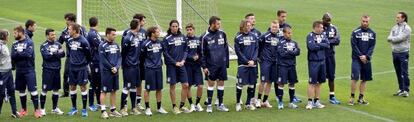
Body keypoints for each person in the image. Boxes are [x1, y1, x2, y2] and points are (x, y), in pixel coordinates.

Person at [11, 25, 41, 118]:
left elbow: (28, 54)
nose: (14, 35)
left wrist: (18, 54)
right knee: (21, 91)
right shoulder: (14, 44)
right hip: (19, 70)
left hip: (29, 70)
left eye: (15, 33)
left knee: (33, 90)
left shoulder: (29, 42)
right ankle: (24, 109)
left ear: (21, 33)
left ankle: (37, 110)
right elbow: (12, 56)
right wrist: (20, 54)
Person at [201, 16, 230, 113]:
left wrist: (226, 63)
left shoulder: (223, 34)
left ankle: (220, 105)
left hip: (221, 65)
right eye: (217, 23)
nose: (219, 25)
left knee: (221, 84)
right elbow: (202, 53)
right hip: (211, 65)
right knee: (211, 84)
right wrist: (204, 66)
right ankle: (209, 105)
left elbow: (226, 49)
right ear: (212, 24)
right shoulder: (205, 36)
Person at [163, 20, 191, 114]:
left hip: (181, 65)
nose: (175, 28)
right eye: (173, 26)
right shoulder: (166, 39)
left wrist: (183, 60)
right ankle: (174, 106)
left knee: (186, 85)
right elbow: (166, 54)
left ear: (178, 27)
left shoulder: (183, 37)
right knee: (173, 86)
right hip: (172, 66)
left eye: (176, 26)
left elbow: (186, 50)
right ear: (170, 27)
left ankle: (182, 106)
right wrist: (175, 63)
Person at [58, 13, 88, 98]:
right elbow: (59, 42)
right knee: (66, 73)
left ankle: (92, 90)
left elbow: (86, 40)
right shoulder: (64, 31)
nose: (65, 21)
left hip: (81, 57)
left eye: (66, 19)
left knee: (87, 74)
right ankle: (66, 92)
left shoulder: (81, 29)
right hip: (70, 56)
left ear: (70, 20)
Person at [349, 15, 376, 106]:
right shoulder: (355, 32)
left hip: (366, 60)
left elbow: (372, 46)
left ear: (369, 22)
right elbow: (354, 46)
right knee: (355, 77)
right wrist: (361, 56)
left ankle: (361, 98)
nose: (365, 23)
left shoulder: (372, 33)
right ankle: (352, 97)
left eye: (366, 21)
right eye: (363, 21)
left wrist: (367, 56)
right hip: (356, 59)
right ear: (361, 21)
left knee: (364, 79)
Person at [142, 26, 168, 116]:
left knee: (159, 89)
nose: (159, 33)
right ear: (152, 33)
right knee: (148, 89)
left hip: (158, 69)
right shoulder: (145, 44)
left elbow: (164, 52)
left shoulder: (160, 43)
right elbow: (141, 56)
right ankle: (147, 108)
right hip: (149, 69)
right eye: (157, 32)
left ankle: (159, 107)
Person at [66, 23, 91, 117]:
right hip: (72, 68)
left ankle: (84, 109)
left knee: (83, 87)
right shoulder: (69, 41)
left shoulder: (84, 41)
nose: (68, 31)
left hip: (82, 68)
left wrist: (84, 64)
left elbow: (89, 55)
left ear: (75, 31)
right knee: (72, 87)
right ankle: (74, 108)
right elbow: (69, 53)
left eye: (69, 29)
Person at [39, 29, 65, 116]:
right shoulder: (43, 45)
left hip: (57, 69)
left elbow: (63, 54)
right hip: (47, 70)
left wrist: (52, 53)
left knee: (56, 90)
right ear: (47, 36)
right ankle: (42, 109)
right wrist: (56, 53)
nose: (54, 36)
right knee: (44, 90)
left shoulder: (58, 44)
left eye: (54, 34)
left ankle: (55, 108)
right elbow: (46, 56)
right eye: (52, 35)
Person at [234, 20, 259, 111]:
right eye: (247, 25)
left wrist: (253, 60)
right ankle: (238, 103)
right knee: (240, 84)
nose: (249, 27)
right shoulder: (238, 37)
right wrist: (247, 61)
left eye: (250, 25)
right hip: (243, 65)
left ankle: (248, 103)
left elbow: (256, 49)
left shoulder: (254, 36)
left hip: (252, 64)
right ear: (243, 26)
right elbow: (238, 52)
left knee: (251, 84)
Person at [258, 20, 283, 108]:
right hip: (265, 61)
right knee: (263, 81)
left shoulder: (280, 37)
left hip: (274, 62)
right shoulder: (265, 36)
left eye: (276, 27)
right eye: (273, 27)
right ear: (270, 27)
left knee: (270, 82)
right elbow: (259, 46)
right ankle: (258, 100)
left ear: (278, 28)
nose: (275, 29)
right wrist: (259, 57)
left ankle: (265, 100)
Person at [120, 19, 142, 116]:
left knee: (134, 87)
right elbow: (123, 53)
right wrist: (125, 64)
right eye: (139, 24)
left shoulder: (136, 36)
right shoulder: (127, 38)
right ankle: (122, 108)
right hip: (129, 66)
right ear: (137, 26)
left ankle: (133, 108)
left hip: (136, 65)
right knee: (127, 87)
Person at [305, 21, 330, 110]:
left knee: (320, 82)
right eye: (321, 27)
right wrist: (321, 45)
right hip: (313, 62)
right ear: (316, 27)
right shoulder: (310, 36)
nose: (322, 29)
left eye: (322, 27)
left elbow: (327, 45)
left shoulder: (323, 35)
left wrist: (318, 45)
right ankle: (309, 102)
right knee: (312, 82)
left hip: (322, 61)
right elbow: (311, 47)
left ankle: (316, 101)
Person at [99, 27, 123, 119]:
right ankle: (103, 111)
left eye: (115, 34)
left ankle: (113, 110)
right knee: (104, 91)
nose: (115, 36)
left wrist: (116, 67)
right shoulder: (102, 45)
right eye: (113, 34)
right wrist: (111, 67)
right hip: (106, 72)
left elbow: (119, 57)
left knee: (114, 90)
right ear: (107, 34)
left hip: (115, 71)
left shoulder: (116, 45)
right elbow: (103, 59)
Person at [387, 12, 411, 97]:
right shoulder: (394, 27)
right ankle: (401, 89)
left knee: (404, 71)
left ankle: (406, 90)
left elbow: (400, 38)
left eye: (398, 17)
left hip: (403, 52)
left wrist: (392, 39)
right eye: (396, 17)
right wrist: (393, 38)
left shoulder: (407, 28)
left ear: (403, 18)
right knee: (398, 71)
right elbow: (389, 37)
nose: (396, 19)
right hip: (395, 52)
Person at [276, 27, 300, 109]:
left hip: (292, 66)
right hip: (283, 66)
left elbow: (298, 52)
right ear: (284, 33)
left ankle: (291, 102)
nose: (290, 34)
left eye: (291, 33)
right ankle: (280, 102)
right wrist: (292, 52)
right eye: (288, 33)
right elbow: (282, 54)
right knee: (281, 84)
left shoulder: (294, 42)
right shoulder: (280, 43)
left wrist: (289, 52)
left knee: (292, 83)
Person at [322, 13, 341, 104]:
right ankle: (315, 98)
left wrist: (326, 42)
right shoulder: (319, 27)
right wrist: (329, 42)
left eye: (329, 20)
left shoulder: (334, 28)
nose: (328, 22)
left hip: (330, 56)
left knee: (331, 77)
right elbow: (318, 41)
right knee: (318, 78)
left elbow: (337, 40)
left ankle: (332, 96)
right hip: (320, 57)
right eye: (326, 20)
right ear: (323, 19)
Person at [0, 29, 20, 118]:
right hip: (1, 73)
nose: (9, 37)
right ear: (3, 36)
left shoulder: (4, 44)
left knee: (11, 91)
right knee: (1, 94)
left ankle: (14, 111)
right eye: (7, 35)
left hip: (8, 72)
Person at [184, 23, 204, 112]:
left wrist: (198, 57)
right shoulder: (184, 40)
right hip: (188, 66)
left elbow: (201, 52)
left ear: (193, 30)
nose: (189, 31)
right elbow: (183, 53)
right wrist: (191, 57)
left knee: (200, 85)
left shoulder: (198, 39)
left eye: (190, 29)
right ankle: (191, 104)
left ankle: (197, 103)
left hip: (197, 66)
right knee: (188, 86)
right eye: (187, 30)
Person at [86, 17, 103, 112]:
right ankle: (91, 104)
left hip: (98, 61)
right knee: (93, 83)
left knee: (99, 83)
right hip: (94, 62)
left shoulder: (95, 33)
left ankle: (99, 103)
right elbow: (100, 44)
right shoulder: (92, 34)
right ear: (97, 23)